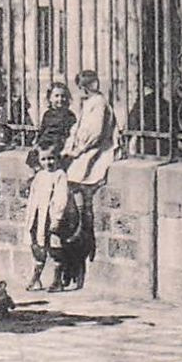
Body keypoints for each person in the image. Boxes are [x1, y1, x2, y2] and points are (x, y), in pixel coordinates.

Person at [58, 69, 117, 286]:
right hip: (81, 155)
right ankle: (70, 262)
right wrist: (69, 147)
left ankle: (77, 259)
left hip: (94, 155)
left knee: (79, 210)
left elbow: (94, 134)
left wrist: (76, 150)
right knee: (69, 210)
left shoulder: (98, 103)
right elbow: (76, 130)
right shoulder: (89, 103)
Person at [23, 147, 78, 291]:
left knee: (54, 247)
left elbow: (61, 198)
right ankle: (36, 278)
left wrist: (57, 219)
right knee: (37, 247)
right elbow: (33, 197)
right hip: (38, 216)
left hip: (51, 217)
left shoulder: (60, 175)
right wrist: (30, 217)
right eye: (44, 159)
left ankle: (57, 280)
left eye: (51, 158)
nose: (48, 162)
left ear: (58, 159)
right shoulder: (40, 176)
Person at [37, 82, 76, 155]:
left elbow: (70, 134)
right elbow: (43, 130)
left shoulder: (69, 115)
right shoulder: (47, 114)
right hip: (45, 143)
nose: (60, 99)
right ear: (50, 98)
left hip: (59, 144)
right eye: (56, 96)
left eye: (63, 96)